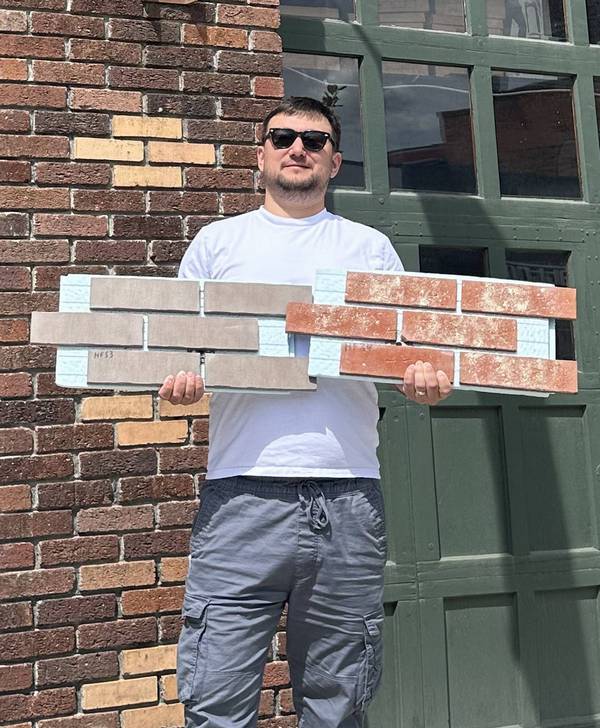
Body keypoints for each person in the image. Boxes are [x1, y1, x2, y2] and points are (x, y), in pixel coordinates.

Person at [159, 96, 452, 728]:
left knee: (338, 705)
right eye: (283, 137)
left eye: (314, 141)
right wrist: (181, 381)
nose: (298, 148)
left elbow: (409, 358)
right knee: (215, 698)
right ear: (260, 155)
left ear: (334, 162)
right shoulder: (217, 243)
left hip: (347, 498)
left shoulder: (370, 248)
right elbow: (182, 351)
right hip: (241, 497)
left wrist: (425, 383)